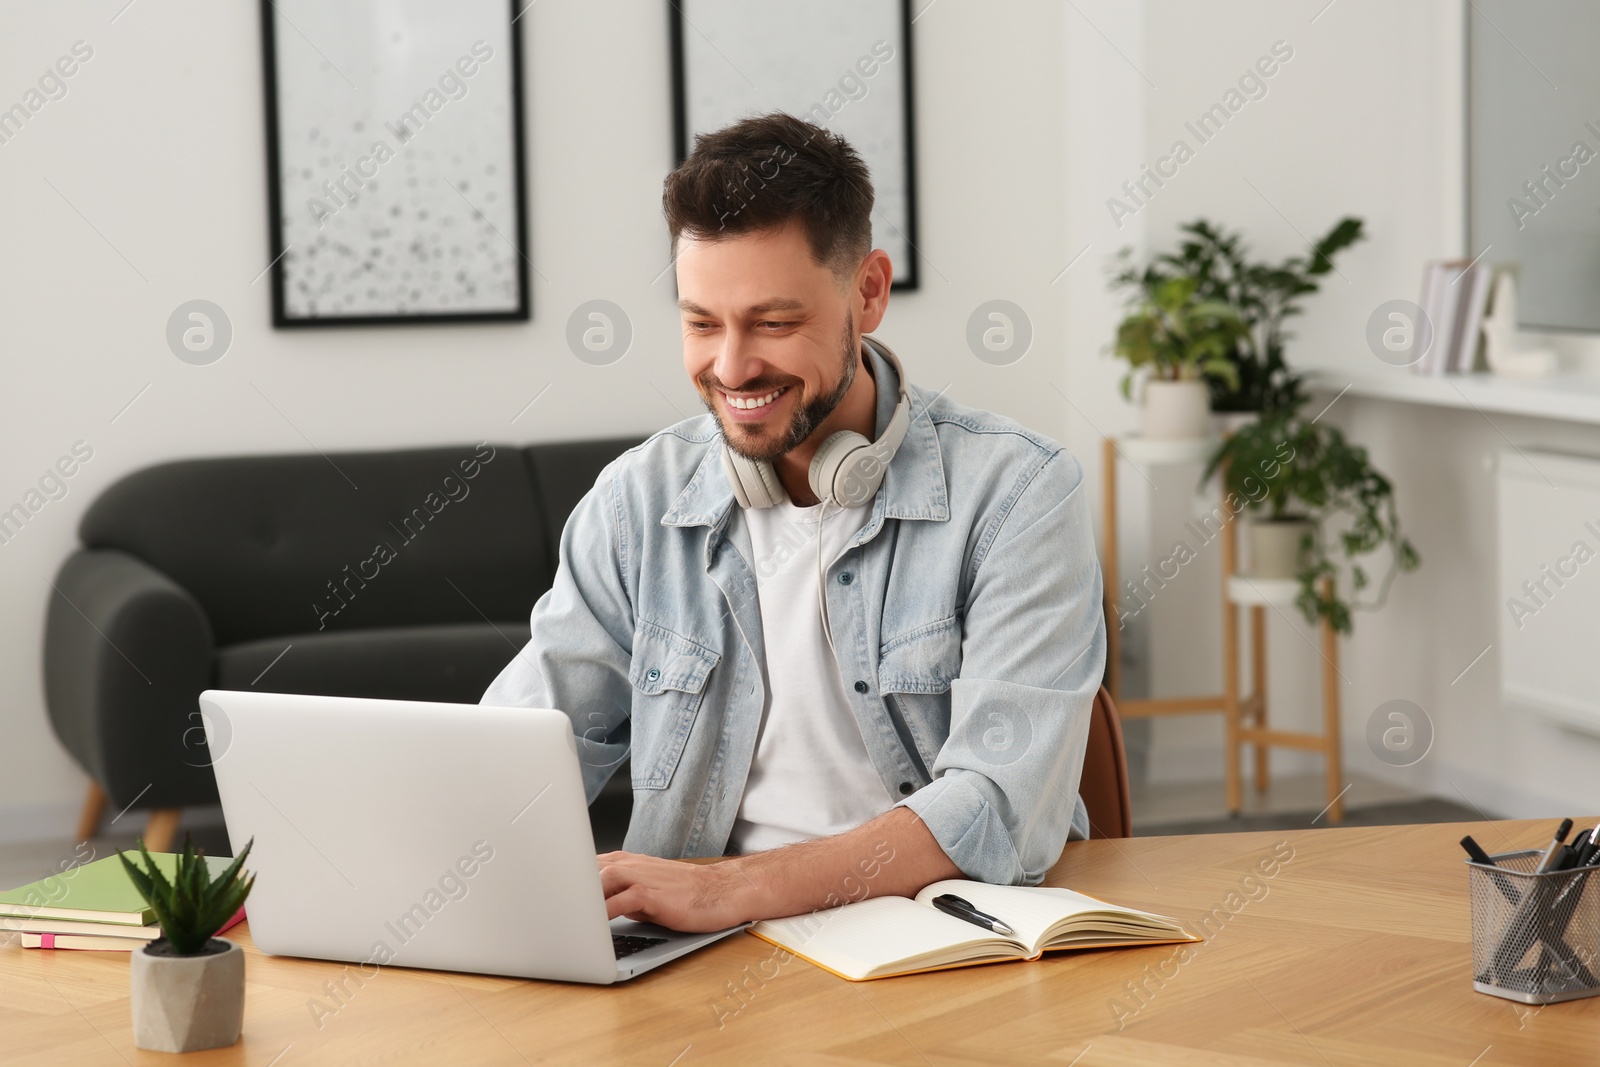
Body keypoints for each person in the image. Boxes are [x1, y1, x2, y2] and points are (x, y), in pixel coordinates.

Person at [481, 112, 1105, 932]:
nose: (732, 367)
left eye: (773, 323)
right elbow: (513, 757)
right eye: (702, 323)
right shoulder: (636, 502)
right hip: (697, 959)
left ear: (869, 292)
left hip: (944, 942)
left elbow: (998, 802)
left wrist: (728, 889)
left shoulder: (1019, 493)